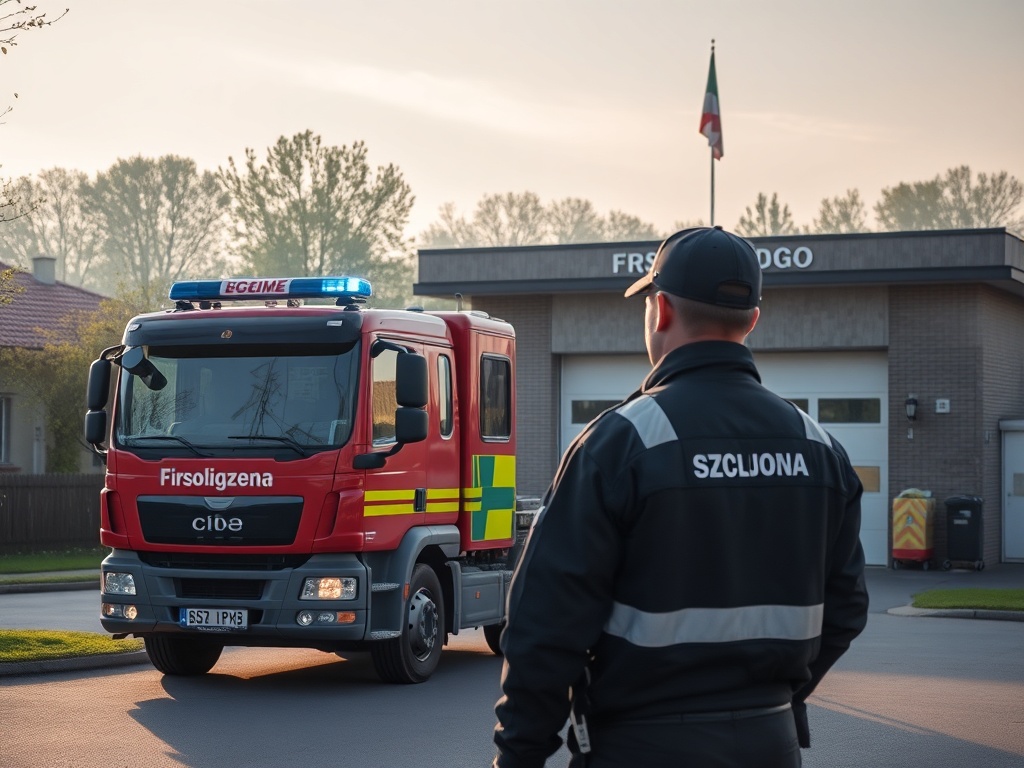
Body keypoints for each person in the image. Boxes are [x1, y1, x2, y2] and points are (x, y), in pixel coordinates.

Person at [492, 226, 868, 768]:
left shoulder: (621, 442)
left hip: (639, 747)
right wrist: (771, 699)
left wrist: (518, 756)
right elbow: (847, 609)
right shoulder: (819, 448)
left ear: (661, 309)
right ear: (752, 321)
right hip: (771, 743)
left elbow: (545, 623)